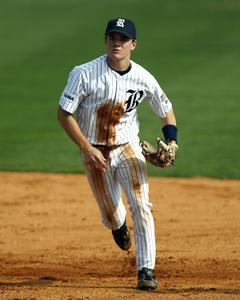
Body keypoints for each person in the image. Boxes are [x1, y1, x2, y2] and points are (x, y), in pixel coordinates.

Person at [57, 17, 178, 290]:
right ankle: (118, 224)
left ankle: (145, 270)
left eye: (123, 39)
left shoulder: (143, 77)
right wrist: (86, 148)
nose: (117, 43)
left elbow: (165, 109)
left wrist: (172, 143)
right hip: (93, 152)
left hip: (127, 147)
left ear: (133, 44)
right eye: (112, 38)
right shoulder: (84, 73)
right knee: (111, 214)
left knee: (141, 204)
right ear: (106, 41)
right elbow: (64, 114)